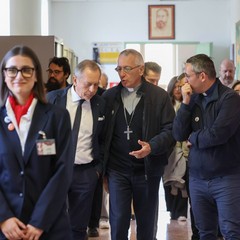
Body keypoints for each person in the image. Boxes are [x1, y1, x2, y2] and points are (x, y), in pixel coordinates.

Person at [0, 45, 74, 239]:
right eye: (12, 70)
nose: (19, 76)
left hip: (50, 225)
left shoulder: (57, 116)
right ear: (4, 75)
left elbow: (63, 170)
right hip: (8, 228)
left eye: (26, 69)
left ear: (35, 75)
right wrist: (4, 217)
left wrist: (39, 221)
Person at [102, 49, 175, 240]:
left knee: (147, 224)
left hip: (147, 170)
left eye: (127, 68)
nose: (121, 74)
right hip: (118, 170)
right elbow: (101, 135)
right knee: (118, 223)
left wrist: (151, 146)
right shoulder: (109, 97)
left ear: (141, 69)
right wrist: (103, 171)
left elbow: (170, 131)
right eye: (119, 68)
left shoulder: (159, 97)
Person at [173, 53, 240, 239]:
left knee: (231, 231)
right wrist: (185, 103)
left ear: (202, 76)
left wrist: (193, 138)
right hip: (197, 179)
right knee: (204, 233)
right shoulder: (192, 99)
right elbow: (178, 134)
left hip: (226, 178)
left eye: (188, 76)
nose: (185, 81)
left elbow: (218, 134)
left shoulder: (230, 99)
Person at [47, 59, 106, 240]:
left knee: (79, 227)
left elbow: (103, 140)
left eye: (96, 84)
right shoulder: (53, 99)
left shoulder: (100, 103)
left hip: (85, 172)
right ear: (74, 79)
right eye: (88, 84)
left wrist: (97, 171)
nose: (92, 90)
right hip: (56, 170)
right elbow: (43, 135)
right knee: (52, 221)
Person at [163, 74, 189, 222]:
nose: (178, 89)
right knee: (169, 181)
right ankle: (172, 210)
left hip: (184, 150)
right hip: (169, 150)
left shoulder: (187, 104)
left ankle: (181, 212)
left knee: (182, 181)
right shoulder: (167, 105)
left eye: (181, 86)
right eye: (176, 87)